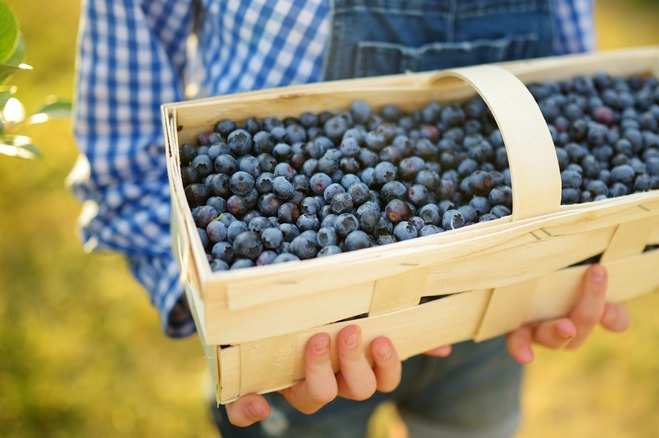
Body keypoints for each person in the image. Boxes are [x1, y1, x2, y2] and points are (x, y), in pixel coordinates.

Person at [69, 0, 630, 436]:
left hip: (493, 299)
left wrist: (564, 265)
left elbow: (563, 86)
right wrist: (217, 319)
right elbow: (127, 137)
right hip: (297, 333)